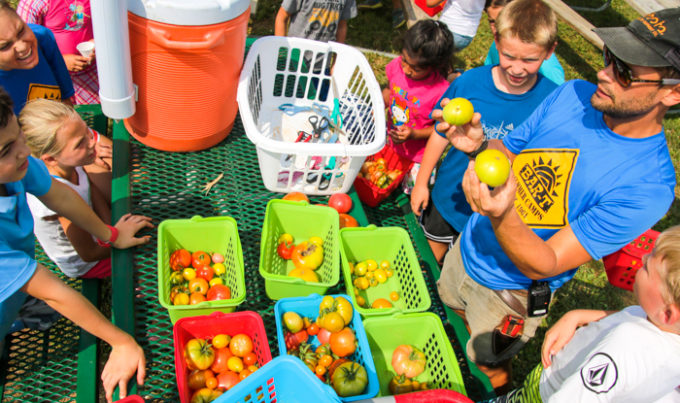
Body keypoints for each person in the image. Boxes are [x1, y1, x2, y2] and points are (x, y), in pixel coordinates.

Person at [433, 7, 680, 392]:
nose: (603, 73)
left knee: (488, 363)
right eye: (610, 58)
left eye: (626, 72)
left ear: (674, 91)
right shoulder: (573, 94)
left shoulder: (647, 186)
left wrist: (502, 216)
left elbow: (546, 263)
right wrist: (480, 145)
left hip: (508, 294)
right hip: (467, 247)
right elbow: (511, 152)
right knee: (449, 313)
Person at [0, 87, 151, 402]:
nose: (22, 151)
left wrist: (111, 234)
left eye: (18, 137)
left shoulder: (16, 166)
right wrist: (121, 342)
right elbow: (53, 292)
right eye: (5, 150)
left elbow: (60, 194)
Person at [410, 0, 558, 265]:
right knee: (425, 263)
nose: (517, 68)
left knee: (461, 275)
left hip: (494, 218)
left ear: (549, 52)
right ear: (496, 41)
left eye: (530, 59)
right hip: (449, 198)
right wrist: (422, 182)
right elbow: (440, 133)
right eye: (509, 56)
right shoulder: (470, 82)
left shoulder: (550, 101)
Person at [481, 226, 680, 402]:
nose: (643, 257)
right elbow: (631, 316)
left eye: (647, 267)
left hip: (546, 393)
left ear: (668, 314)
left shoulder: (627, 345)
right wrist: (578, 316)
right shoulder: (659, 327)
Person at [20, 99, 112, 279]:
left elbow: (91, 188)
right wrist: (118, 243)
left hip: (98, 235)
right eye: (80, 144)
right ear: (51, 159)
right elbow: (89, 253)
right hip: (89, 263)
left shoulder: (69, 162)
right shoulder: (55, 201)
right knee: (147, 256)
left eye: (87, 132)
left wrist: (110, 224)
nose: (92, 142)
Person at [382, 19, 453, 194]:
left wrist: (415, 134)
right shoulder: (396, 67)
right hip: (391, 141)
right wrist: (377, 106)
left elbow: (441, 128)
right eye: (404, 61)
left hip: (419, 155)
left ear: (435, 65)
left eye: (415, 68)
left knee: (411, 192)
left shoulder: (441, 91)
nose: (406, 69)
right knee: (383, 179)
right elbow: (389, 90)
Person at [17, 0, 99, 105]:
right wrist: (61, 61)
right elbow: (24, 46)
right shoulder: (34, 3)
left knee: (101, 111)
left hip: (94, 72)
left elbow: (110, 20)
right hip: (54, 74)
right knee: (63, 113)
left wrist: (97, 43)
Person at [0, 1, 74, 114]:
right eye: (5, 46)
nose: (22, 47)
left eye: (21, 31)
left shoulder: (42, 38)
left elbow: (66, 102)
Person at [483, 0, 564, 85]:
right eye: (492, 22)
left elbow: (558, 95)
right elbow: (488, 74)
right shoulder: (498, 45)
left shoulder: (549, 69)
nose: (497, 29)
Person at [274, 0, 357, 43]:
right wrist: (282, 54)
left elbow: (341, 27)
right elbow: (281, 17)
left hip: (323, 65)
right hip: (294, 61)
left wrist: (336, 61)